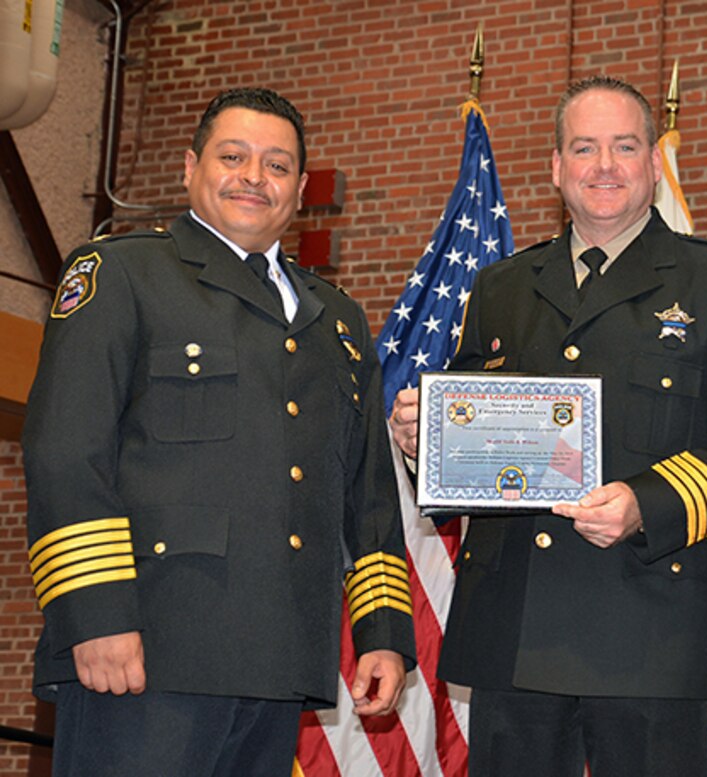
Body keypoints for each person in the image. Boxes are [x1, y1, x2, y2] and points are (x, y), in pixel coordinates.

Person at [390, 75, 707, 776]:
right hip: (513, 632)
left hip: (651, 635)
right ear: (556, 167)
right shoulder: (502, 287)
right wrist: (420, 442)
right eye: (584, 148)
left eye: (624, 146)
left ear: (650, 161)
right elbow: (472, 458)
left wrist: (649, 500)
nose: (604, 166)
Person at [22, 87, 416, 777]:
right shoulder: (121, 272)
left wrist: (382, 630)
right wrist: (95, 614)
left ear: (298, 187)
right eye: (233, 156)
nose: (253, 178)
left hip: (279, 659)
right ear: (189, 167)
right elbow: (65, 452)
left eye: (277, 165)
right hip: (148, 650)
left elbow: (368, 493)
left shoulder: (339, 320)